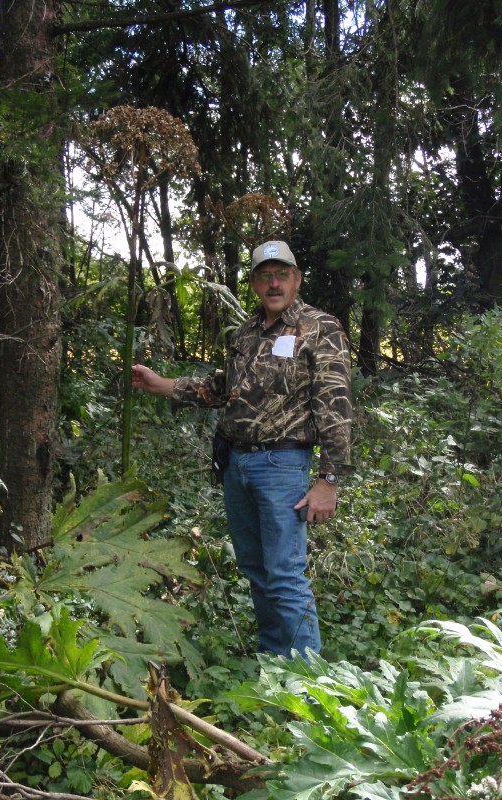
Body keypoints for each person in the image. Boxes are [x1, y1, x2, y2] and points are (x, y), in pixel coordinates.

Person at [132, 240, 352, 658]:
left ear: (297, 278)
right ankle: (275, 664)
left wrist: (329, 480)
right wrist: (163, 385)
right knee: (256, 570)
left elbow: (336, 405)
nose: (274, 283)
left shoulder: (320, 327)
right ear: (253, 283)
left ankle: (308, 682)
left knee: (285, 574)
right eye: (265, 275)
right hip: (237, 464)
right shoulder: (247, 333)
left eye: (281, 274)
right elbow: (224, 388)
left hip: (283, 464)